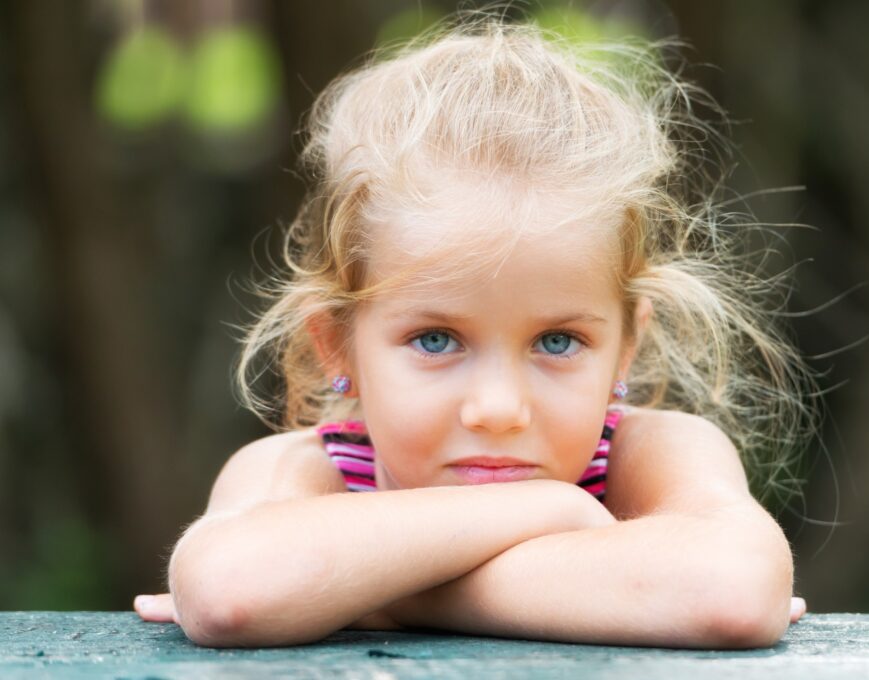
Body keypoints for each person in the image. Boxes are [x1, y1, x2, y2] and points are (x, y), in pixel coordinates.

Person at [133, 14, 814, 648]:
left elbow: (732, 592)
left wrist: (380, 593)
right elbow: (228, 593)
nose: (497, 410)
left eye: (557, 342)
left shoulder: (656, 451)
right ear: (336, 342)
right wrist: (552, 513)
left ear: (625, 345)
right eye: (436, 340)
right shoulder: (305, 468)